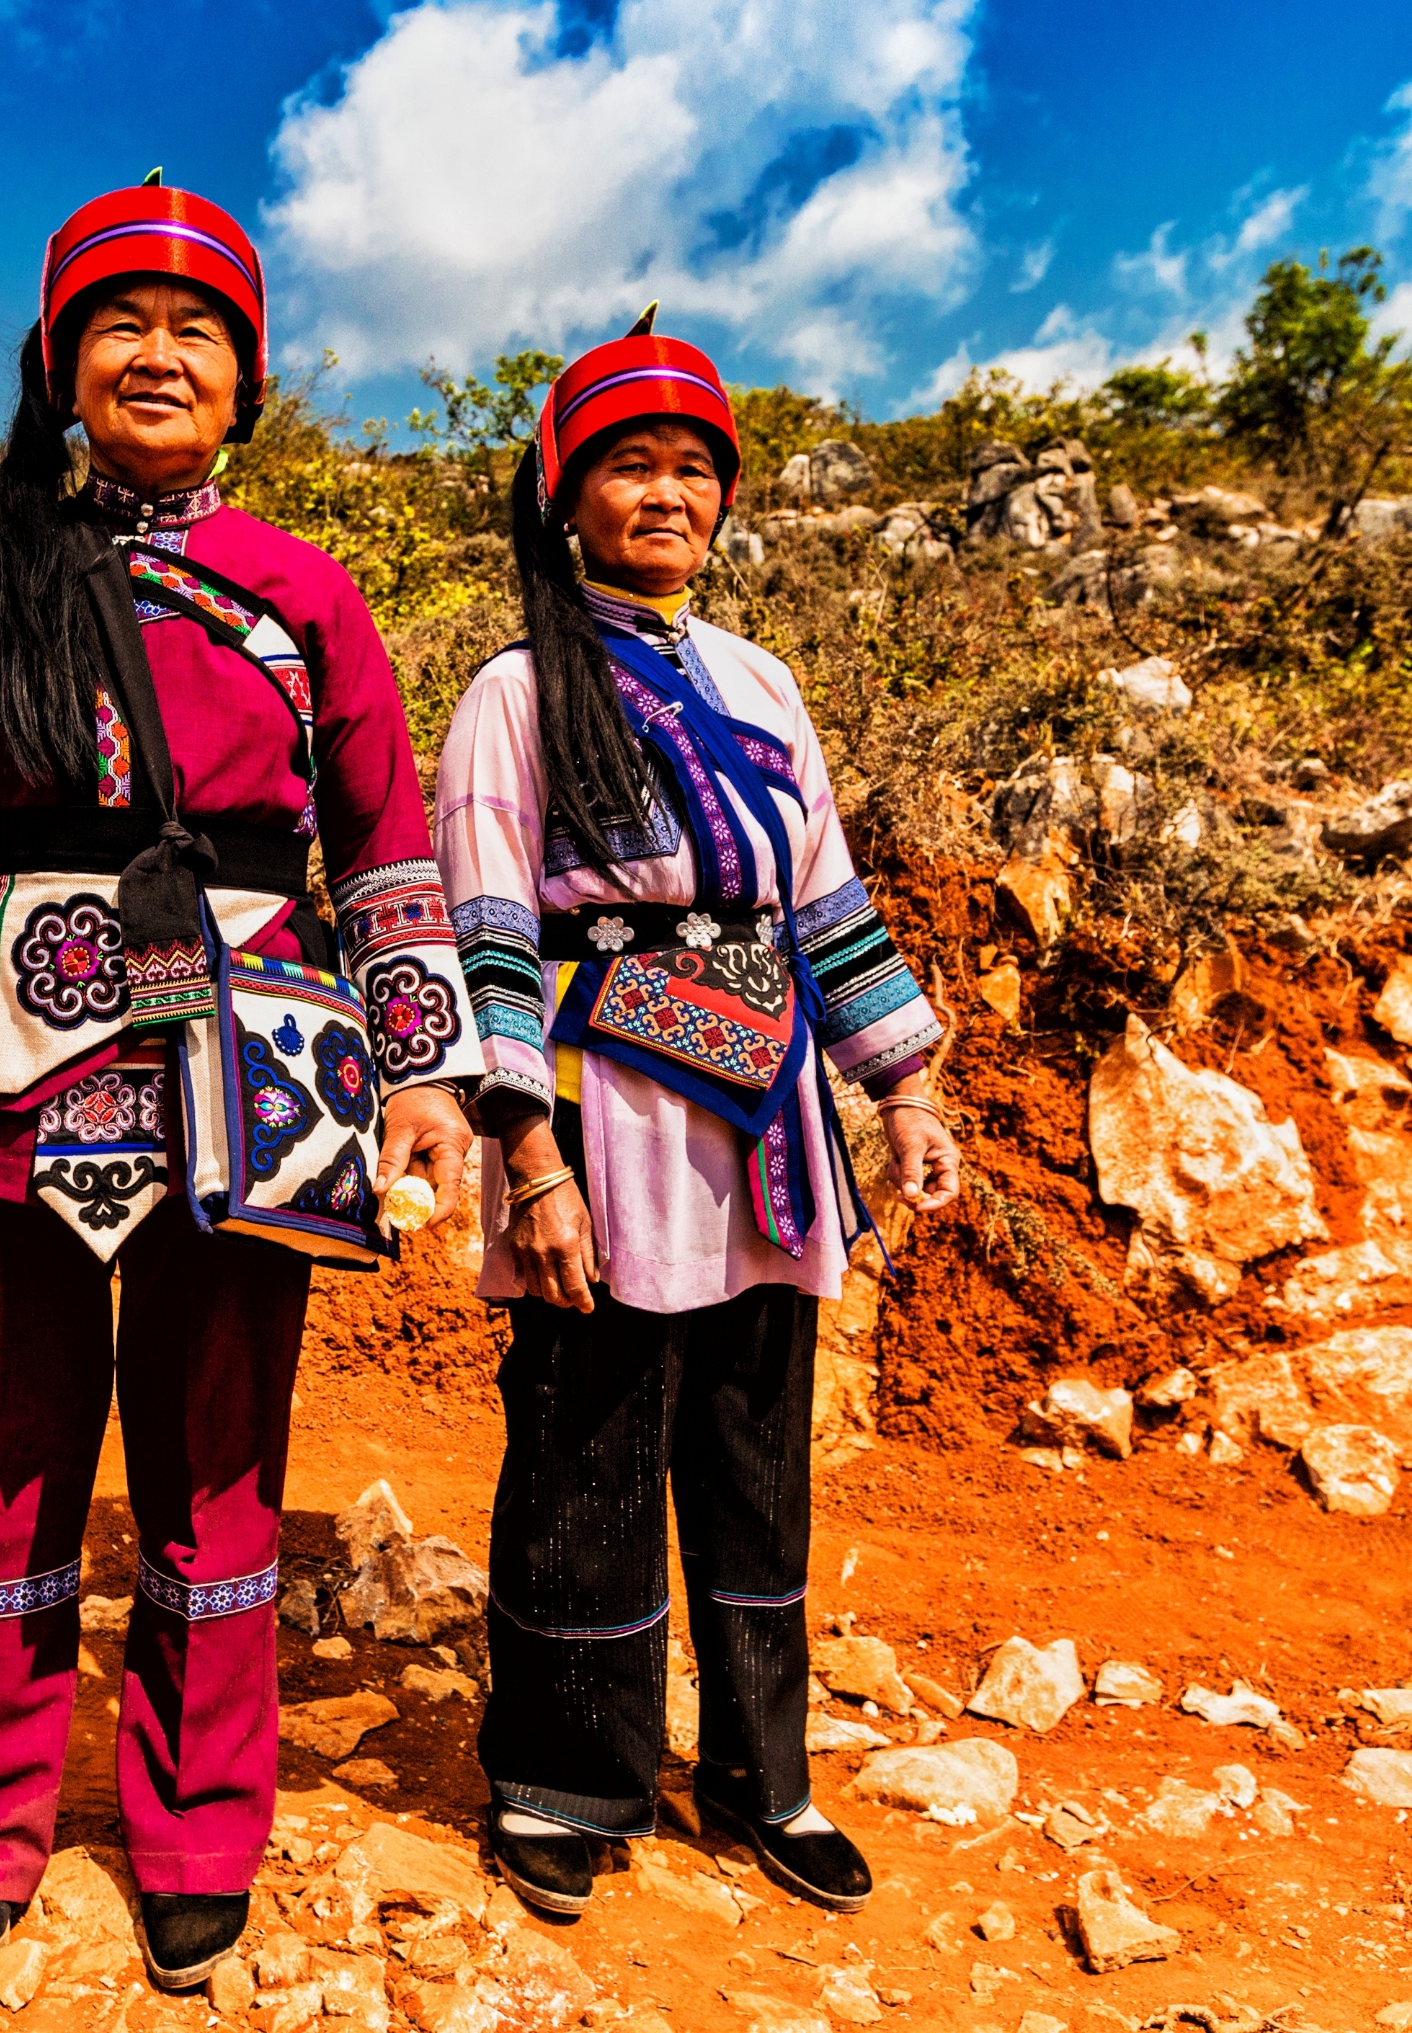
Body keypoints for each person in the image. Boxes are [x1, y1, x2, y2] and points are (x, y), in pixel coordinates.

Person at [0, 177, 482, 2000]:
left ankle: (192, 1832)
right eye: (120, 325)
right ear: (58, 367)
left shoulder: (308, 597)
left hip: (254, 1057)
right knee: (6, 1460)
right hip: (0, 1054)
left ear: (245, 387)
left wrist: (424, 1077)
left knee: (217, 1463)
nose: (157, 355)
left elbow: (388, 851)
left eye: (198, 334)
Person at [433, 314, 960, 1916]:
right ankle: (570, 1778)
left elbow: (823, 902)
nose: (663, 494)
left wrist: (903, 1086)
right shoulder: (515, 695)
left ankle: (758, 1770)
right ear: (562, 491)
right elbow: (487, 932)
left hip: (768, 1127)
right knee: (587, 1439)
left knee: (751, 1449)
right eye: (626, 465)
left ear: (722, 502)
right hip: (603, 1122)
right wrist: (528, 1158)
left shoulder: (759, 681)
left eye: (689, 469)